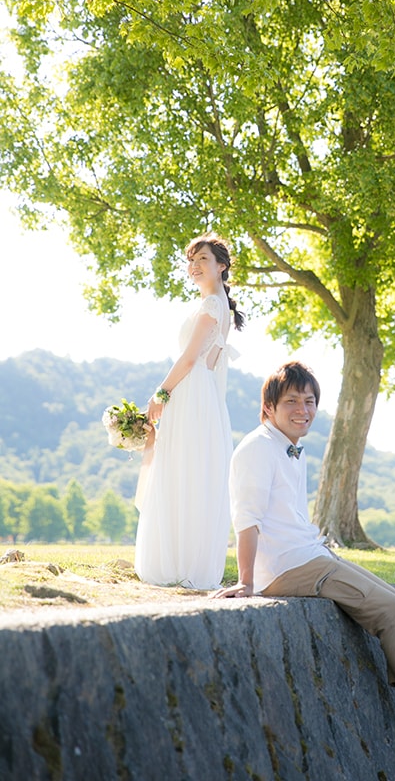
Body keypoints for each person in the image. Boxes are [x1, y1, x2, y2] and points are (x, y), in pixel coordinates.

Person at [213, 361, 395, 755]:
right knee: (390, 611)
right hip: (287, 567)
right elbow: (245, 519)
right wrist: (247, 582)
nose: (303, 409)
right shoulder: (256, 449)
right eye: (292, 402)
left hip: (309, 555)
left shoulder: (289, 448)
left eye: (310, 401)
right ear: (268, 407)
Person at [134, 233, 245, 590]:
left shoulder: (212, 306)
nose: (194, 267)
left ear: (221, 267)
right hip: (200, 396)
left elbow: (191, 358)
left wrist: (160, 394)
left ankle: (178, 565)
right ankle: (182, 561)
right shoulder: (215, 306)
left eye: (203, 260)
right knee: (186, 473)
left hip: (192, 393)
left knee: (183, 472)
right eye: (191, 261)